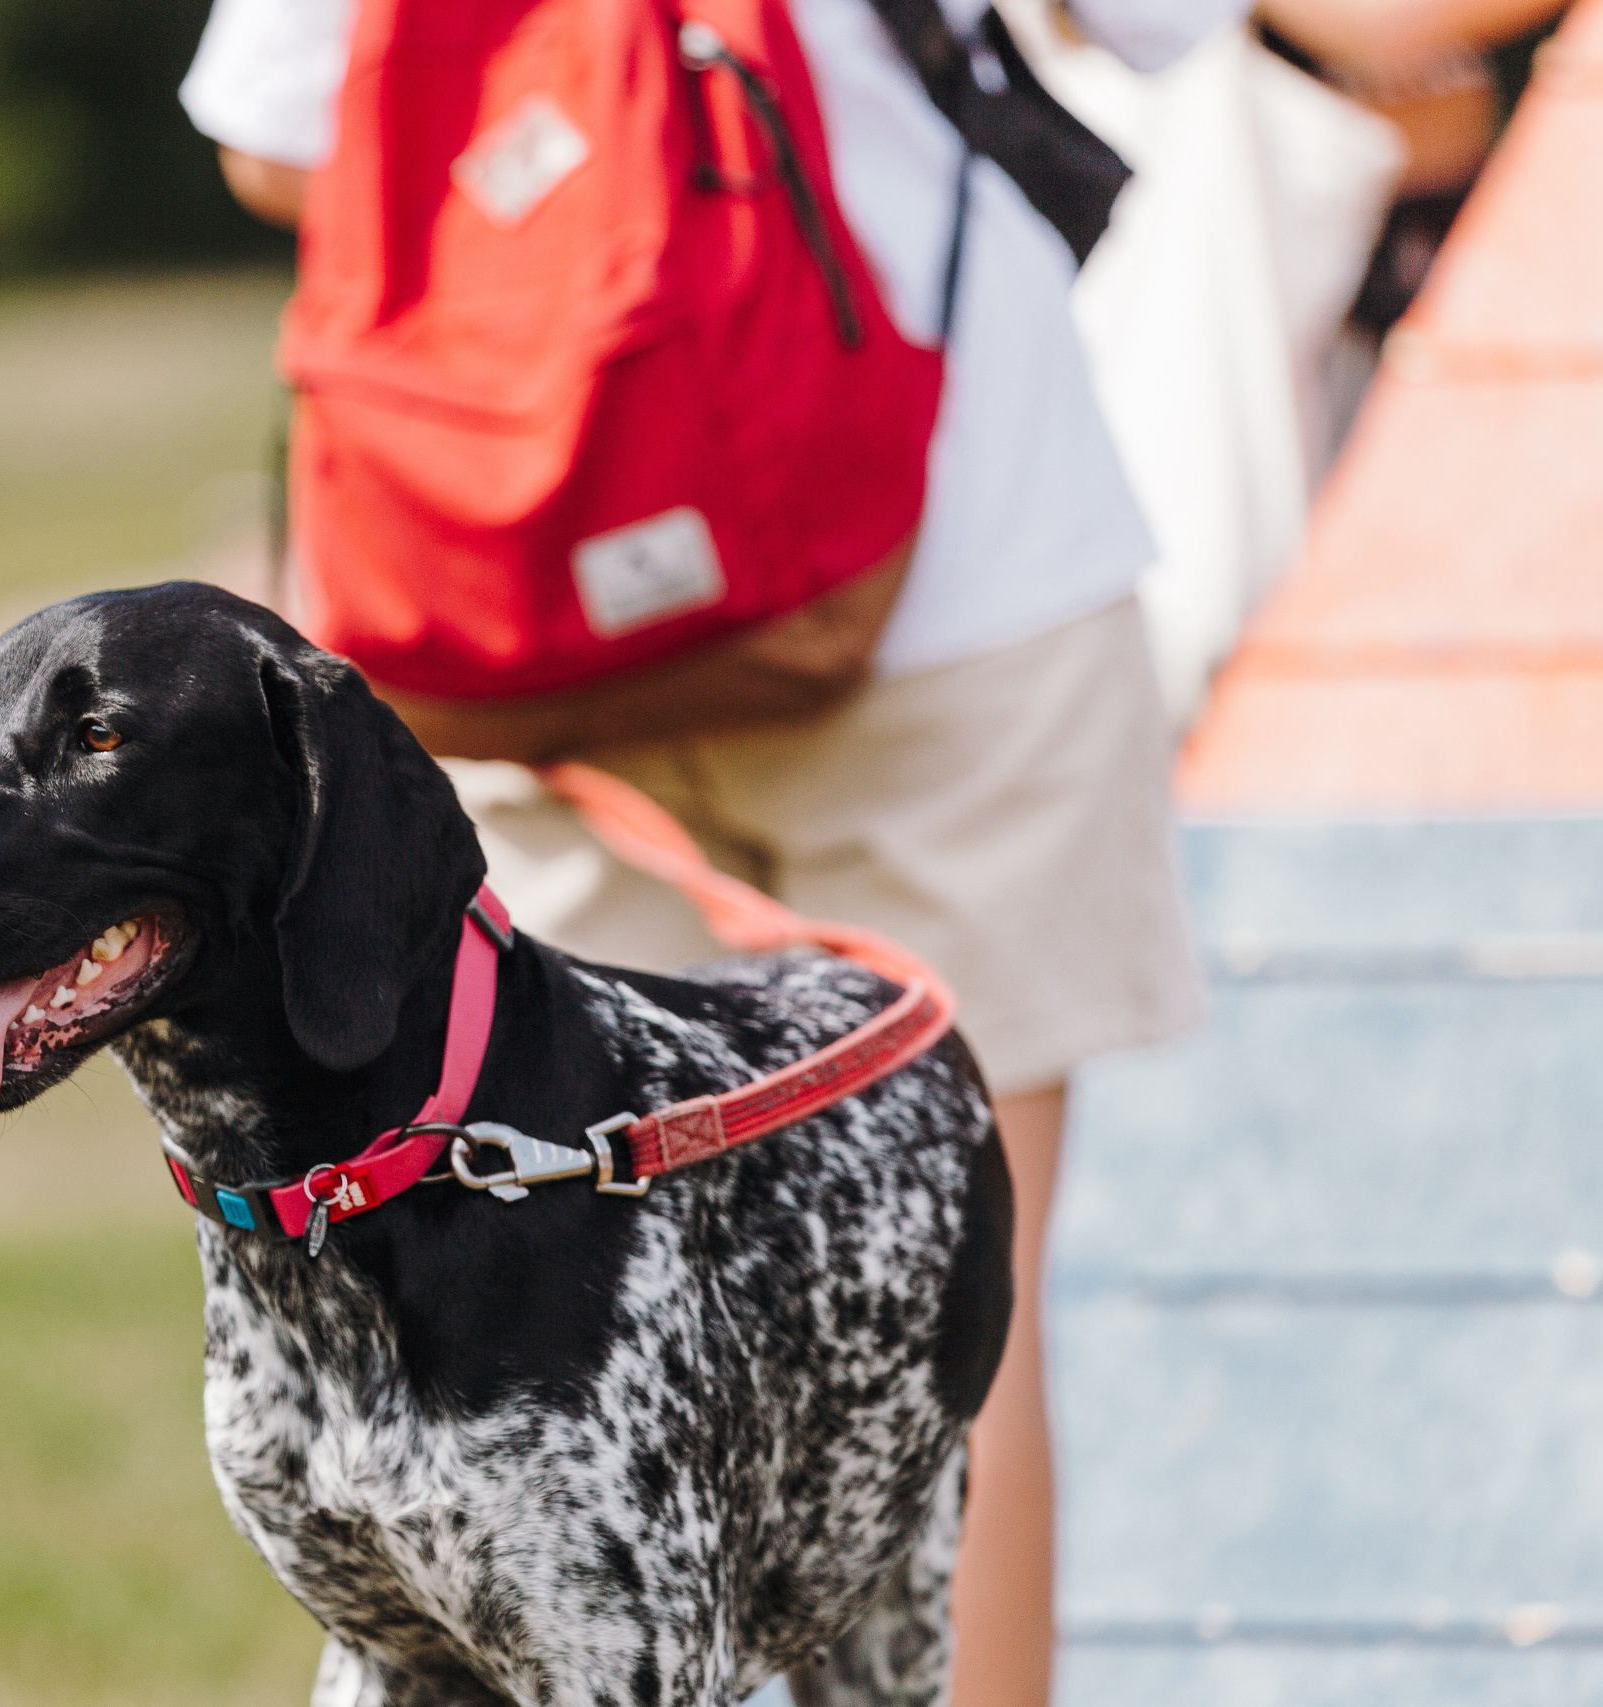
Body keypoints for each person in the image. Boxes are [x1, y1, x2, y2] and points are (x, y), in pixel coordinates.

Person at [181, 0, 1233, 1698]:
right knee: (958, 1294)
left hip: (516, 600)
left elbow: (275, 140)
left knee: (512, 1327)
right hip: (949, 573)